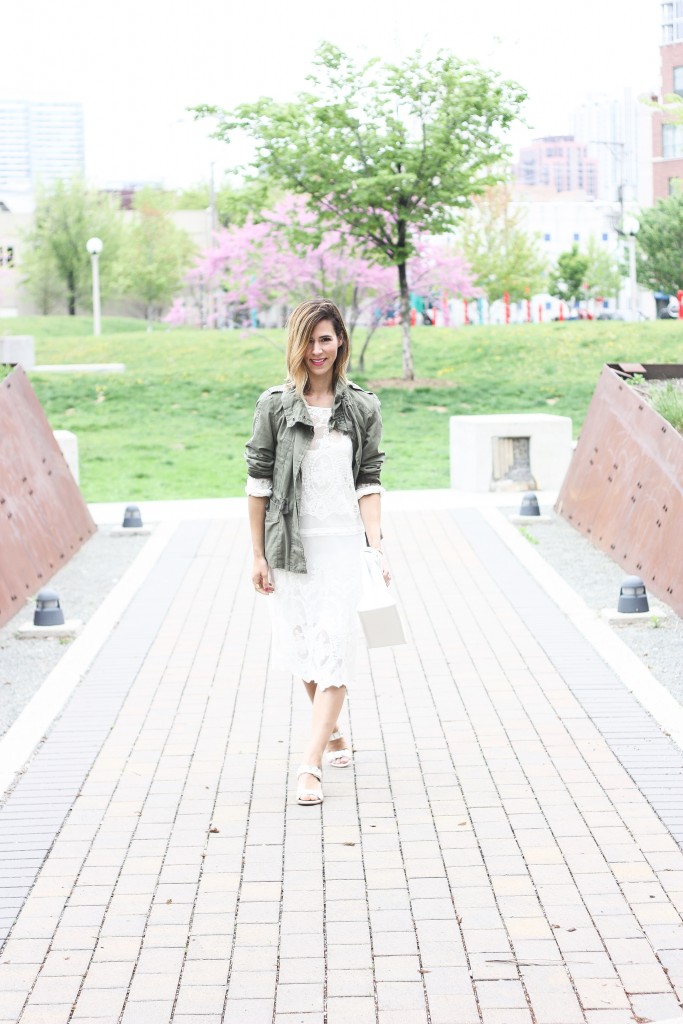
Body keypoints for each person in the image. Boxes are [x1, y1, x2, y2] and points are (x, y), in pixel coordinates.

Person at [244, 298, 389, 806]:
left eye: (325, 338)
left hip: (343, 547)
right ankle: (332, 734)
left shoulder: (363, 407)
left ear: (341, 341)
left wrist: (376, 546)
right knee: (304, 646)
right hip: (291, 545)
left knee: (335, 647)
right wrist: (258, 554)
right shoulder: (275, 406)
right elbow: (258, 483)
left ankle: (309, 766)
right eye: (308, 339)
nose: (316, 349)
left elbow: (369, 481)